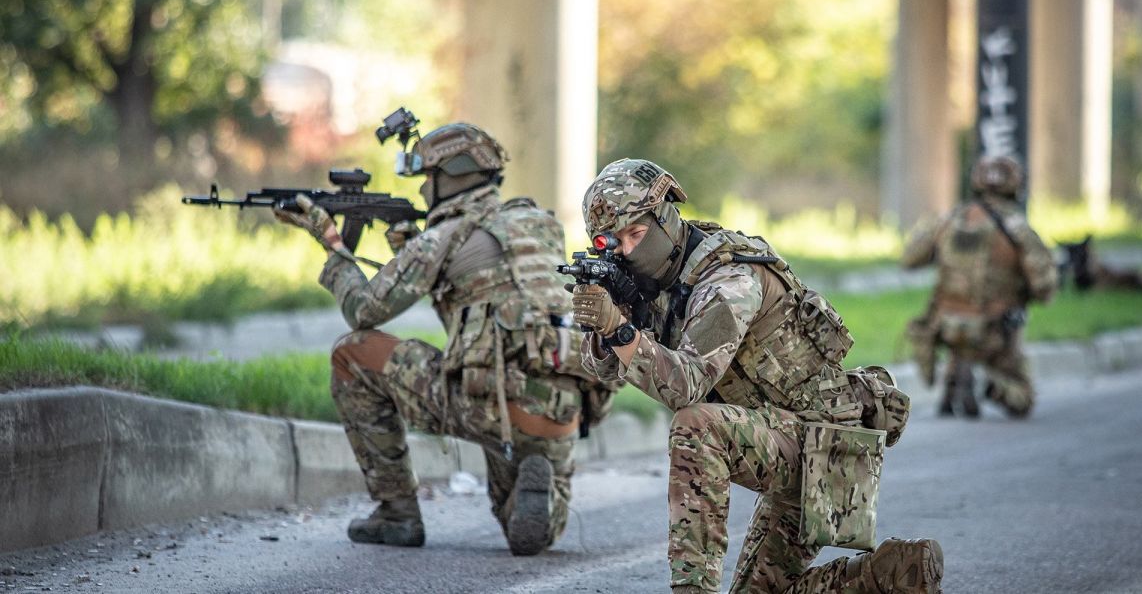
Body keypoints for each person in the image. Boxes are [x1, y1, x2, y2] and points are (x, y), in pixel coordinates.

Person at [570, 158, 943, 593]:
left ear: (668, 221)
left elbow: (686, 386)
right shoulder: (660, 281)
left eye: (637, 235)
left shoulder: (728, 281)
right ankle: (894, 575)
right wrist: (606, 323)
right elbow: (605, 370)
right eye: (616, 244)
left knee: (697, 426)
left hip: (824, 446)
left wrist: (620, 327)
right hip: (786, 436)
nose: (630, 253)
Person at [276, 122, 605, 556]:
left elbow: (363, 310)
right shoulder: (538, 224)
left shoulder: (440, 240)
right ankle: (542, 495)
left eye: (427, 180)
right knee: (525, 527)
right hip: (560, 407)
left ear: (449, 177)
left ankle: (397, 515)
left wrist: (333, 245)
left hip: (488, 402)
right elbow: (494, 295)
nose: (423, 191)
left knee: (351, 355)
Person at [901, 156, 1057, 418]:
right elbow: (1044, 285)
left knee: (958, 334)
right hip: (993, 330)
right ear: (1015, 185)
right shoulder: (1017, 228)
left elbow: (910, 259)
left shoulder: (949, 221)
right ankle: (990, 385)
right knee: (1023, 402)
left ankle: (955, 379)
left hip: (946, 327)